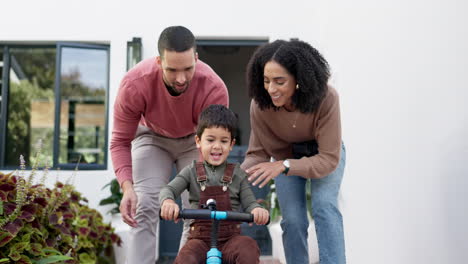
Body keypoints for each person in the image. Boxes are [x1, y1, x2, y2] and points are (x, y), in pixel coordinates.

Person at [110, 26, 229, 264]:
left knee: (197, 209)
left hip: (196, 140)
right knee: (143, 205)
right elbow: (120, 141)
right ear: (158, 61)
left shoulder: (213, 88)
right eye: (172, 70)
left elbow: (214, 143)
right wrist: (127, 188)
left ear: (196, 58)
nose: (181, 78)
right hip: (151, 138)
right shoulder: (134, 84)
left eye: (187, 68)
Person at [241, 39, 346, 264]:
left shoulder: (327, 98)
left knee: (324, 207)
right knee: (293, 220)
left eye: (279, 81)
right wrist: (232, 180)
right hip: (284, 157)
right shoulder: (260, 105)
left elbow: (328, 159)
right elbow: (257, 154)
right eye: (267, 81)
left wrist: (284, 166)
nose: (271, 89)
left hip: (325, 155)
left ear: (299, 80)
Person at [160, 104, 269, 264]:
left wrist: (257, 210)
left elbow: (250, 203)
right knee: (186, 256)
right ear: (198, 141)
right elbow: (168, 189)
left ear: (231, 144)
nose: (217, 146)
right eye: (210, 140)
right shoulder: (191, 171)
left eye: (223, 141)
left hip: (230, 241)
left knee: (248, 247)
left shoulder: (237, 174)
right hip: (200, 241)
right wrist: (168, 202)